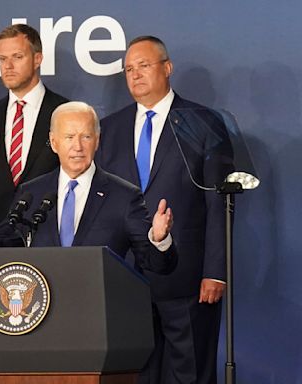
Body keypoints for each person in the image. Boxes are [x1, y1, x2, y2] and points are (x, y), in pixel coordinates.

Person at [96, 36, 228, 384]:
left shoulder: (202, 122)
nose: (135, 74)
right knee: (139, 374)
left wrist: (215, 270)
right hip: (126, 278)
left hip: (187, 276)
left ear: (167, 68)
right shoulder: (109, 129)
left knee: (190, 373)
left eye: (144, 65)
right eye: (128, 69)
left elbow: (219, 202)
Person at [0, 101, 176, 275]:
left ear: (98, 141)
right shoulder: (31, 193)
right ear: (53, 142)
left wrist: (159, 239)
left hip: (101, 320)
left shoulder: (123, 196)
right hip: (42, 321)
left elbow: (157, 265)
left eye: (86, 137)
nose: (78, 147)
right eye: (70, 137)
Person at [0, 23, 68, 236]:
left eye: (17, 57)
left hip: (50, 236)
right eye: (2, 59)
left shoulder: (63, 113)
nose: (8, 66)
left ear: (37, 59)